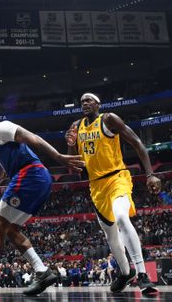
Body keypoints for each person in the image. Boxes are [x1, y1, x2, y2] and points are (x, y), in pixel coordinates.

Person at [0, 108, 85, 296]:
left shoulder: (1, 127)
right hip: (37, 179)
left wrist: (58, 157)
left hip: (30, 174)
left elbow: (32, 137)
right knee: (9, 229)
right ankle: (42, 271)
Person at [66, 93, 160, 294]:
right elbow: (75, 168)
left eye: (89, 100)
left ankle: (142, 274)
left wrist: (150, 174)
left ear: (98, 104)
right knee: (111, 236)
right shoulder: (77, 126)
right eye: (82, 101)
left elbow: (137, 142)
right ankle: (126, 273)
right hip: (96, 186)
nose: (85, 103)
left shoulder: (108, 119)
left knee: (121, 217)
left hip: (117, 177)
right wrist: (71, 144)